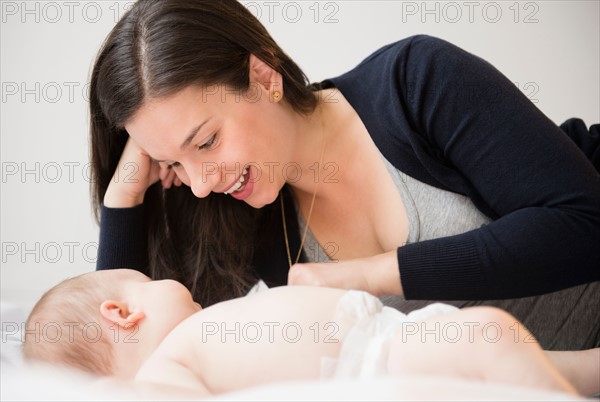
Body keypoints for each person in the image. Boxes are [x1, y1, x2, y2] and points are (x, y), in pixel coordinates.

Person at [89, 0, 600, 350]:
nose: (200, 183)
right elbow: (127, 350)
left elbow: (585, 224)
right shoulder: (243, 213)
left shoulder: (415, 82)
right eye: (175, 163)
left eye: (205, 141)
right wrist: (125, 192)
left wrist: (366, 275)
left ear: (264, 76)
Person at [23, 269, 597, 397]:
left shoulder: (198, 334)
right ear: (123, 314)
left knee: (538, 359)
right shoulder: (164, 369)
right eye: (150, 279)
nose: (171, 279)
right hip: (381, 368)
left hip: (396, 336)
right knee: (491, 337)